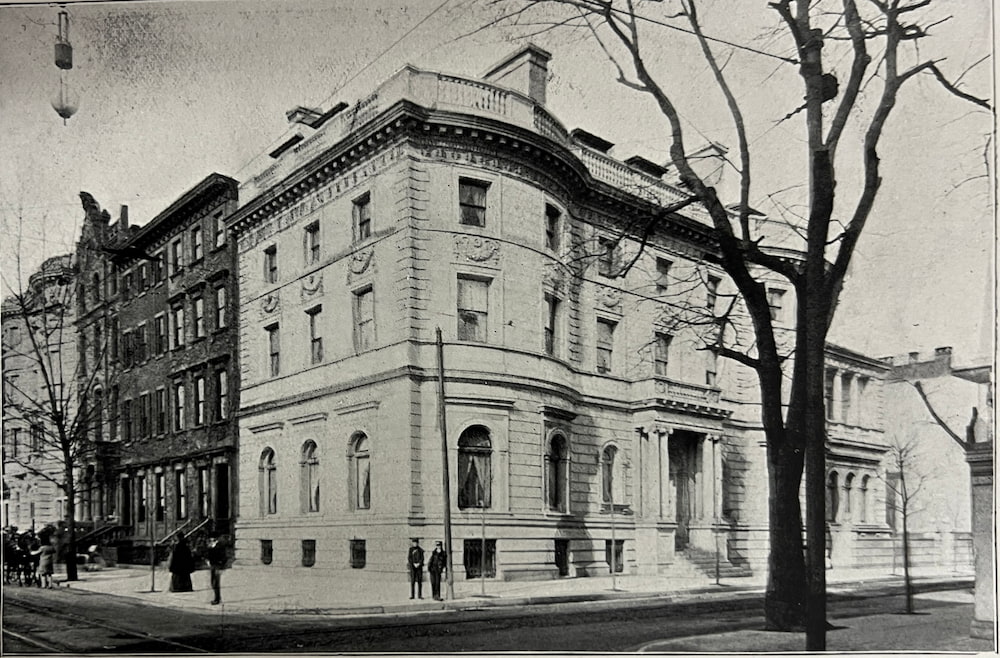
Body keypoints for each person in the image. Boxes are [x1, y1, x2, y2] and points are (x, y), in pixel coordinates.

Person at [207, 535, 228, 605]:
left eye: (212, 539)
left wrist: (221, 564)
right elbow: (208, 555)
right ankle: (217, 597)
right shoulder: (211, 546)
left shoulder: (220, 546)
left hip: (217, 566)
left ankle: (217, 599)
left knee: (216, 583)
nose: (211, 541)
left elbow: (224, 557)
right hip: (212, 565)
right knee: (212, 582)